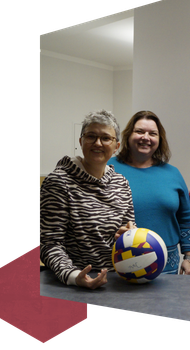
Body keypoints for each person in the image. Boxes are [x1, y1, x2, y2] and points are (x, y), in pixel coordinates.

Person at [39, 110, 135, 289]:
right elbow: (49, 244)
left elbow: (128, 232)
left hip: (116, 283)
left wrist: (129, 235)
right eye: (91, 136)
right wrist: (75, 276)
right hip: (73, 285)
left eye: (106, 138)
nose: (98, 143)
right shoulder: (59, 182)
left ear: (116, 146)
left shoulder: (121, 183)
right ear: (81, 141)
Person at [109, 111, 190, 275]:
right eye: (139, 131)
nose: (146, 137)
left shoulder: (173, 174)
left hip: (166, 268)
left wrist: (189, 258)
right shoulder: (109, 169)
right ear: (128, 135)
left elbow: (185, 218)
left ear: (159, 139)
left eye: (152, 133)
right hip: (121, 264)